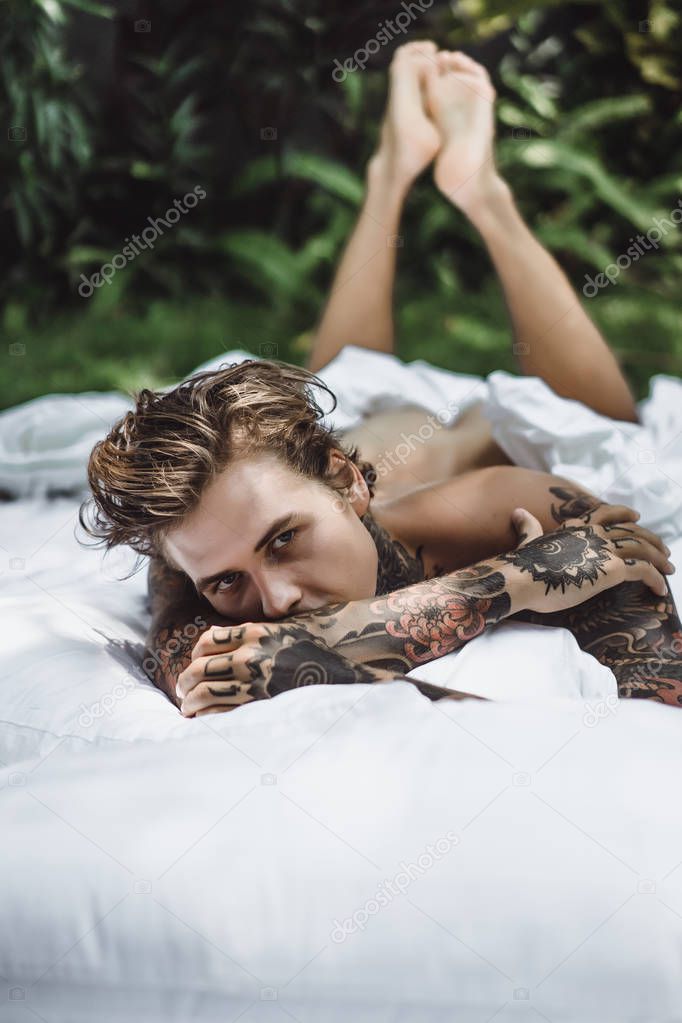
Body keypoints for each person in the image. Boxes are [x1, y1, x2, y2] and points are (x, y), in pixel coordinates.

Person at [79, 43, 682, 715]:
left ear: (348, 482)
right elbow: (192, 665)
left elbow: (661, 682)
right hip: (362, 438)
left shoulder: (505, 504)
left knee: (597, 423)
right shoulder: (200, 540)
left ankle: (479, 190)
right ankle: (391, 170)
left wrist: (331, 643)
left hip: (482, 444)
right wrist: (514, 579)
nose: (275, 601)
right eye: (226, 583)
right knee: (346, 382)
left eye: (285, 539)